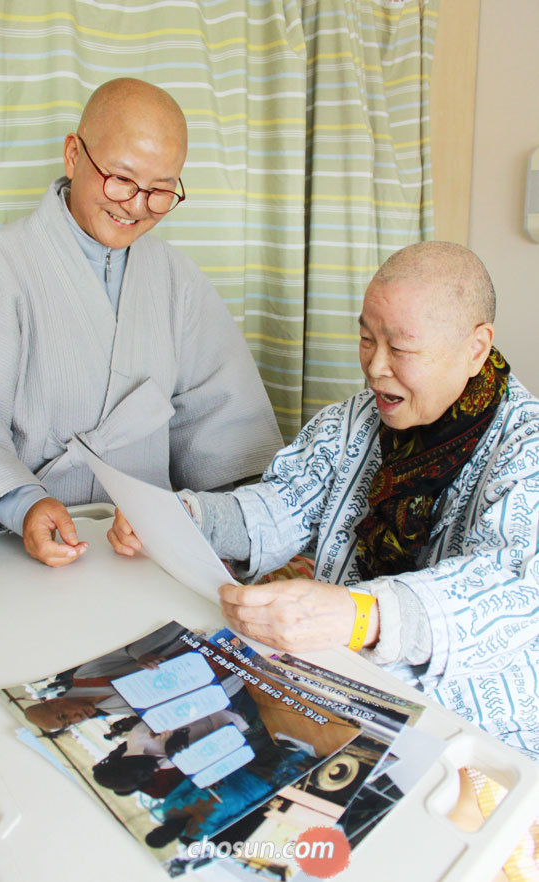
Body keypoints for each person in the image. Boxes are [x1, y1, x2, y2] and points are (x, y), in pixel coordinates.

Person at [109, 242, 539, 760]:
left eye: (400, 348)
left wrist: (364, 617)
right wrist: (188, 517)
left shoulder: (526, 448)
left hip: (474, 728)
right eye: (365, 338)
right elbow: (278, 506)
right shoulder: (355, 422)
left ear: (476, 346)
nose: (375, 367)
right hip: (336, 683)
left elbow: (515, 590)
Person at [0, 77, 282, 568]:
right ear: (73, 155)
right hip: (18, 547)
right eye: (122, 179)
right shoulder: (8, 265)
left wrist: (214, 521)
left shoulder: (178, 280)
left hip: (138, 550)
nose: (135, 206)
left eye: (160, 191)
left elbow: (231, 433)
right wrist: (22, 502)